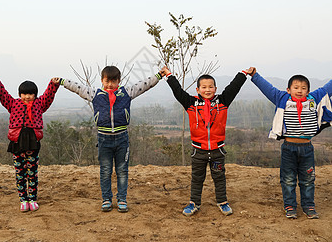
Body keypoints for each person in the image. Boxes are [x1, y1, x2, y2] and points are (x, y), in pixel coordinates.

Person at [60, 66, 163, 213]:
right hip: (104, 139)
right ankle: (106, 200)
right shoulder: (95, 94)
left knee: (122, 171)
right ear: (102, 80)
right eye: (107, 81)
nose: (110, 84)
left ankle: (122, 199)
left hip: (122, 138)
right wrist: (63, 81)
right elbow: (78, 88)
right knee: (105, 171)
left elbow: (144, 85)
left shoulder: (126, 93)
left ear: (119, 81)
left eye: (113, 81)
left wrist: (159, 75)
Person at [160, 66, 247, 216]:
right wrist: (169, 75)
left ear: (215, 88)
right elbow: (178, 91)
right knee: (197, 178)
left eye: (211, 87)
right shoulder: (191, 103)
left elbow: (234, 87)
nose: (208, 90)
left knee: (219, 177)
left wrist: (243, 74)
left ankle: (222, 202)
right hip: (198, 151)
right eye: (204, 87)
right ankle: (194, 203)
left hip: (217, 150)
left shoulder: (222, 101)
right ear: (198, 89)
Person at [247, 67, 332, 219]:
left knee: (308, 179)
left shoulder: (314, 98)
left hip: (307, 148)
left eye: (304, 88)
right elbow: (268, 89)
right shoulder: (282, 99)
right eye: (296, 87)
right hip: (288, 148)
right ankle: (290, 206)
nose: (300, 91)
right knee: (288, 179)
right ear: (288, 89)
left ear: (308, 91)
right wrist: (255, 75)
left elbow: (328, 88)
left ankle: (308, 206)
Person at [0, 75, 60, 212]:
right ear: (19, 94)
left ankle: (33, 199)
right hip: (17, 141)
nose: (27, 97)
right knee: (20, 172)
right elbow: (3, 94)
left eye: (31, 94)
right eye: (24, 94)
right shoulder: (13, 104)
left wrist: (53, 84)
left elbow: (48, 96)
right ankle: (23, 200)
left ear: (35, 95)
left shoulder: (40, 104)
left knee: (32, 172)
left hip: (33, 142)